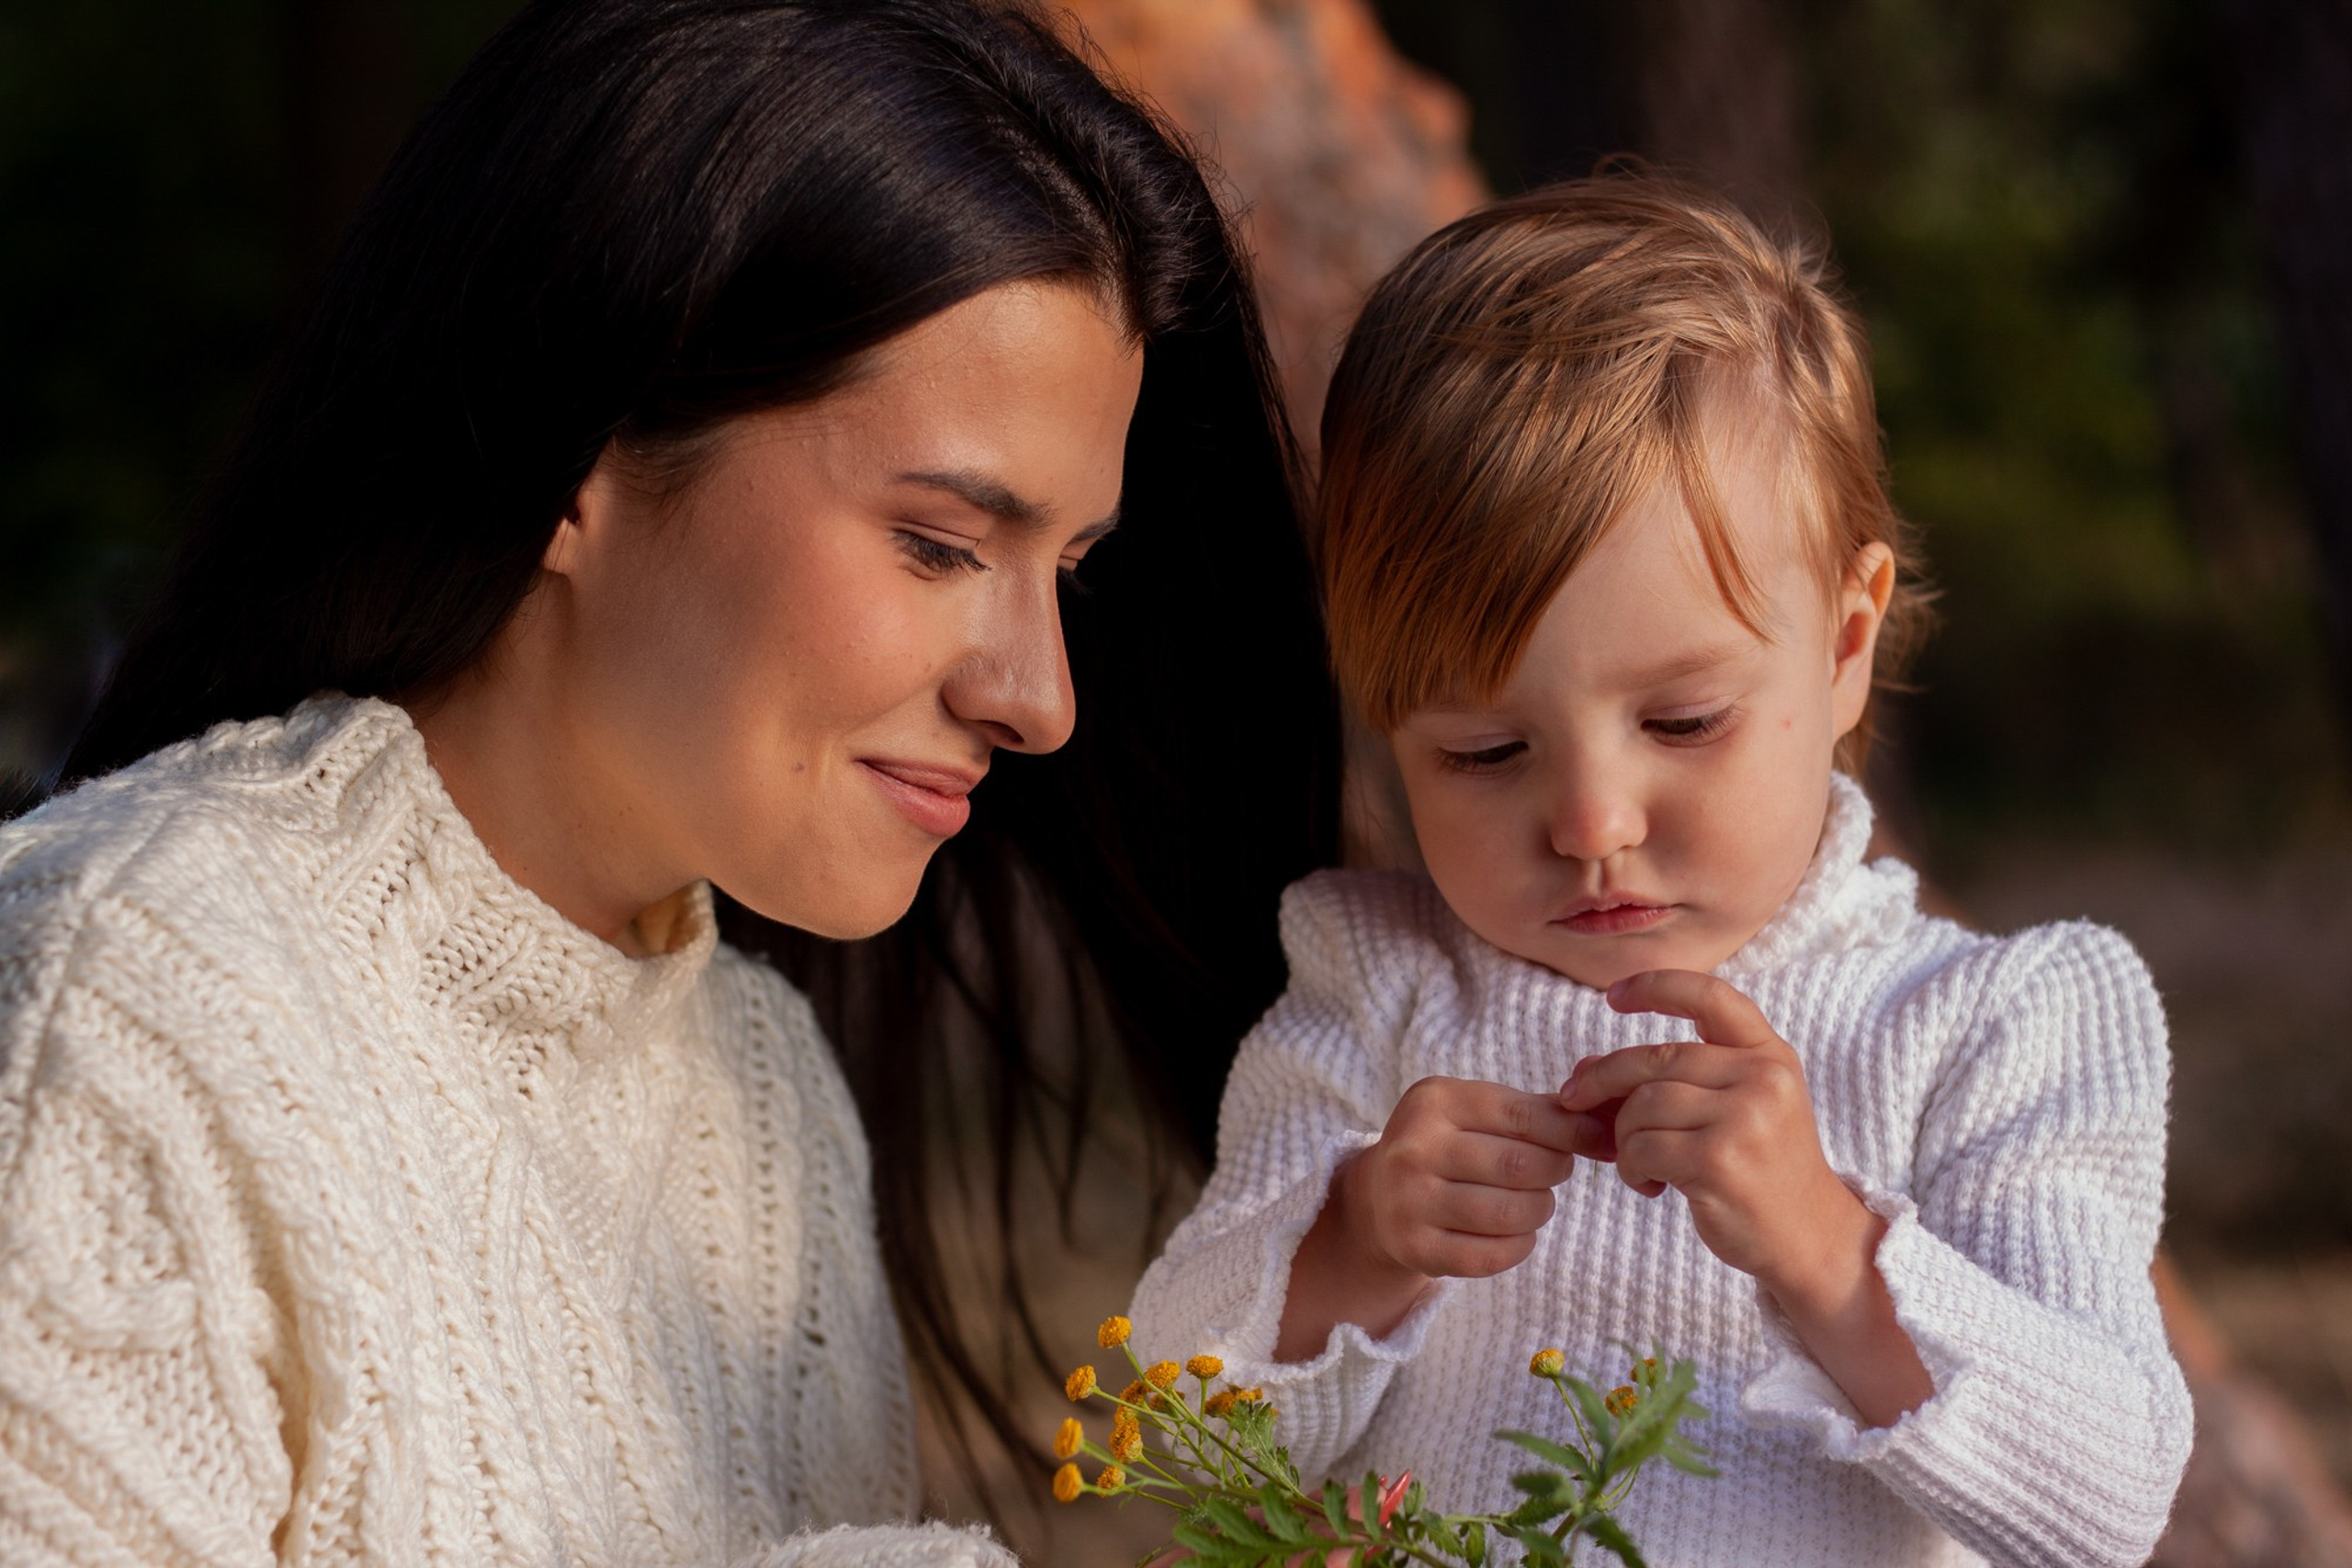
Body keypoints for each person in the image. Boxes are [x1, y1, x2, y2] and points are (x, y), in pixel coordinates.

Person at [0, 1, 1340, 1563]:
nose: (1039, 697)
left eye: (1073, 574)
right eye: (939, 545)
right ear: (578, 456)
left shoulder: (764, 1094)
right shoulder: (136, 997)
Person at [1130, 175, 2191, 1566]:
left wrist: (1829, 1249)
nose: (1591, 821)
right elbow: (1171, 1441)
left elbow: (2106, 1505)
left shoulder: (1993, 1026)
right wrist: (1351, 1248)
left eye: (1683, 722)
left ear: (1846, 639)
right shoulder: (1378, 986)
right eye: (1484, 751)